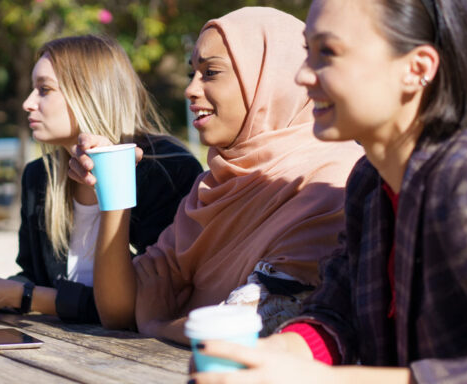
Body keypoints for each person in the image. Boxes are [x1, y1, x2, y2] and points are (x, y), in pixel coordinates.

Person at [190, 0, 467, 383]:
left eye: (328, 52)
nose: (303, 76)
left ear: (417, 68)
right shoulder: (371, 184)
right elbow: (338, 314)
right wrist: (272, 357)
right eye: (308, 52)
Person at [68, 7, 364, 344]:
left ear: (270, 80)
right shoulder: (212, 186)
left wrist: (158, 325)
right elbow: (119, 311)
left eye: (211, 72)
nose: (190, 89)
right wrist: (114, 188)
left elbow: (258, 324)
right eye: (192, 72)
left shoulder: (330, 180)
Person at [0, 35, 203, 323]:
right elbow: (35, 278)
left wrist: (18, 295)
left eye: (44, 89)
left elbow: (141, 306)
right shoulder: (40, 177)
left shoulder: (169, 171)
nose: (27, 103)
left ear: (89, 94)